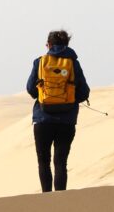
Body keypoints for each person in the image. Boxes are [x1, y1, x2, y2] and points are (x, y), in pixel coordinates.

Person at [26, 30, 90, 192]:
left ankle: (47, 198)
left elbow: (30, 89)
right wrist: (68, 99)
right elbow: (84, 92)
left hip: (43, 119)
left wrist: (45, 95)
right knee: (61, 162)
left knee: (43, 161)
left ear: (48, 45)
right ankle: (61, 200)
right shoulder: (73, 64)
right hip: (66, 121)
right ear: (67, 45)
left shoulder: (40, 62)